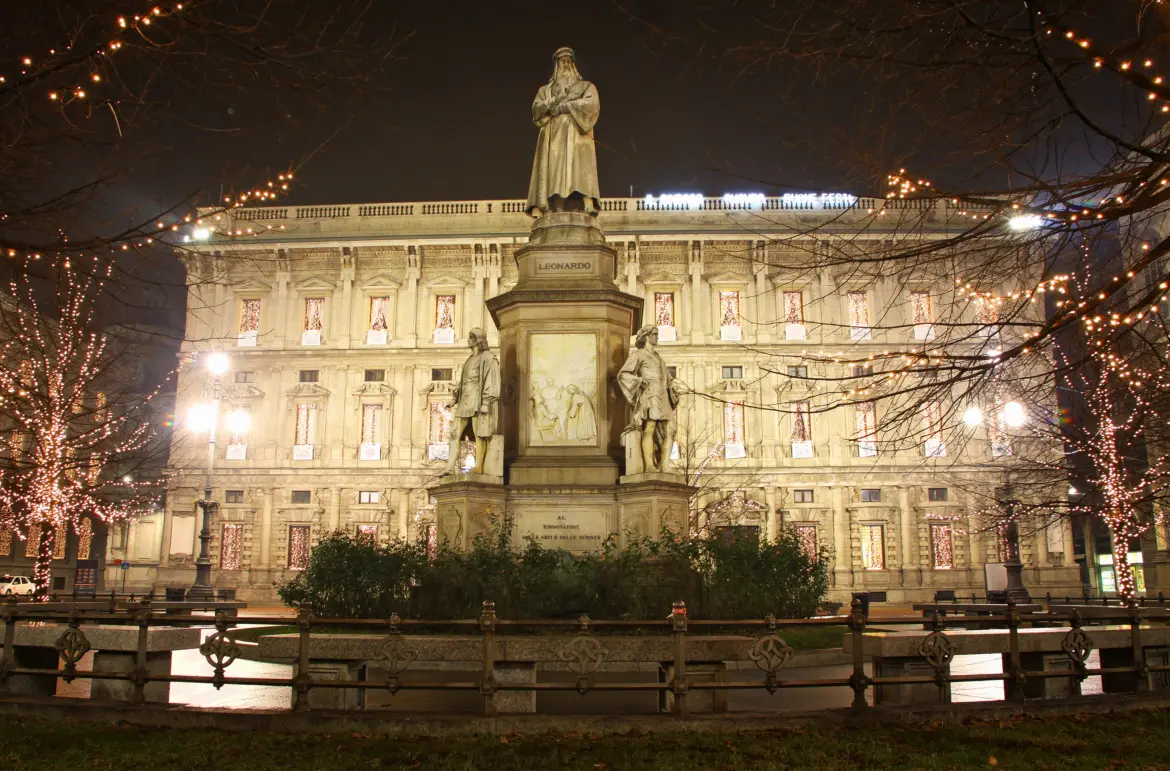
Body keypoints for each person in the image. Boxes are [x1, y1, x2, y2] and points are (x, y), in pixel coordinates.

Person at [526, 47, 601, 217]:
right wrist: (552, 103)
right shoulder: (545, 91)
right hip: (553, 137)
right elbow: (536, 110)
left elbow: (591, 106)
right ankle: (553, 206)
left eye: (568, 61)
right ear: (556, 66)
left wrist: (565, 106)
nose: (565, 64)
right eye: (562, 61)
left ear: (573, 65)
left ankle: (588, 202)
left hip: (578, 135)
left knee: (581, 170)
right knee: (554, 173)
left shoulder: (586, 87)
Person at [617, 325, 679, 472]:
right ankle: (650, 465)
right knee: (649, 427)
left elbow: (667, 378)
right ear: (646, 336)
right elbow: (623, 374)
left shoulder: (658, 357)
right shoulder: (638, 355)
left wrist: (673, 386)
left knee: (670, 430)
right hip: (650, 395)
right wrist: (640, 382)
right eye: (654, 334)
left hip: (663, 396)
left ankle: (664, 465)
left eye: (657, 334)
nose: (657, 336)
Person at [445, 328, 500, 474]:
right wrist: (454, 399)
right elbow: (464, 382)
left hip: (478, 400)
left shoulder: (489, 357)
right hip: (465, 400)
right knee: (455, 433)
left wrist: (486, 402)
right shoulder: (469, 359)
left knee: (479, 434)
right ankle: (449, 466)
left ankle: (479, 467)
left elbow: (492, 380)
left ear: (479, 340)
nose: (468, 340)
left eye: (471, 337)